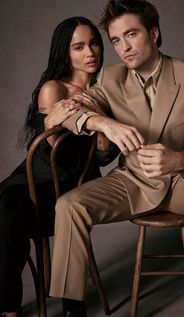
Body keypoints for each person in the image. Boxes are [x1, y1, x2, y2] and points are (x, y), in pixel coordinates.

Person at [49, 0, 184, 317]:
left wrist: (180, 160)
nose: (124, 47)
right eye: (116, 40)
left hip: (183, 186)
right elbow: (67, 111)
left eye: (131, 34)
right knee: (69, 205)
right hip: (131, 183)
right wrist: (103, 122)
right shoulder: (109, 78)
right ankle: (71, 309)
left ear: (154, 33)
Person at [0, 16, 115, 317]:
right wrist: (51, 123)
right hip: (38, 181)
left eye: (94, 43)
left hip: (79, 185)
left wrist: (101, 118)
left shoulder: (109, 88)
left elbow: (104, 156)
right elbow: (50, 158)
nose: (90, 52)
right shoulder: (54, 88)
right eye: (79, 47)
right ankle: (8, 307)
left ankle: (70, 304)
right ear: (66, 53)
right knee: (7, 213)